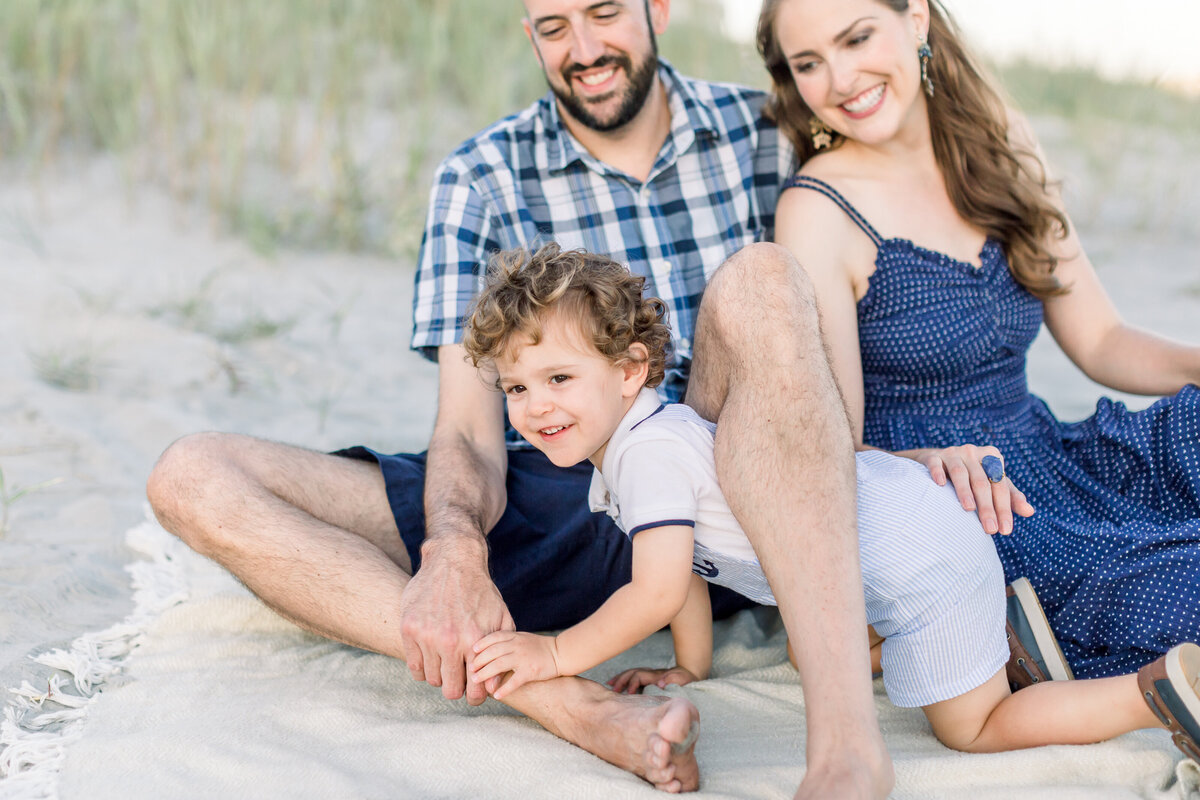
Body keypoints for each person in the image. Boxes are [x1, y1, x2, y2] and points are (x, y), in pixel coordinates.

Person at [147, 1, 903, 796]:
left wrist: (907, 454)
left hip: (728, 482)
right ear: (528, 33)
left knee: (758, 277)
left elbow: (890, 273)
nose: (583, 49)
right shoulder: (481, 177)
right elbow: (471, 432)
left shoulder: (766, 131)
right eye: (553, 27)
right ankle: (573, 708)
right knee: (191, 475)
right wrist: (454, 553)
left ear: (661, 9)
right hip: (555, 489)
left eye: (606, 13)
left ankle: (847, 751)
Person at [459, 241, 1200, 761]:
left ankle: (1152, 692)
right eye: (517, 388)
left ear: (630, 371)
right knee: (924, 664)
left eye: (560, 379)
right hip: (909, 525)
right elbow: (684, 574)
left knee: (974, 729)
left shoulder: (645, 455)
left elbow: (652, 591)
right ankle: (1002, 648)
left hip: (927, 565)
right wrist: (691, 669)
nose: (534, 407)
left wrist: (554, 650)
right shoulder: (641, 443)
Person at [757, 0, 1200, 683]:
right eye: (810, 63)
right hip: (964, 494)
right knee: (1181, 581)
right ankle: (1016, 628)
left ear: (916, 21)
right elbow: (833, 445)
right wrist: (925, 462)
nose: (841, 78)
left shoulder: (1003, 145)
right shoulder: (817, 209)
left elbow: (1102, 339)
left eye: (857, 38)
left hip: (1050, 449)